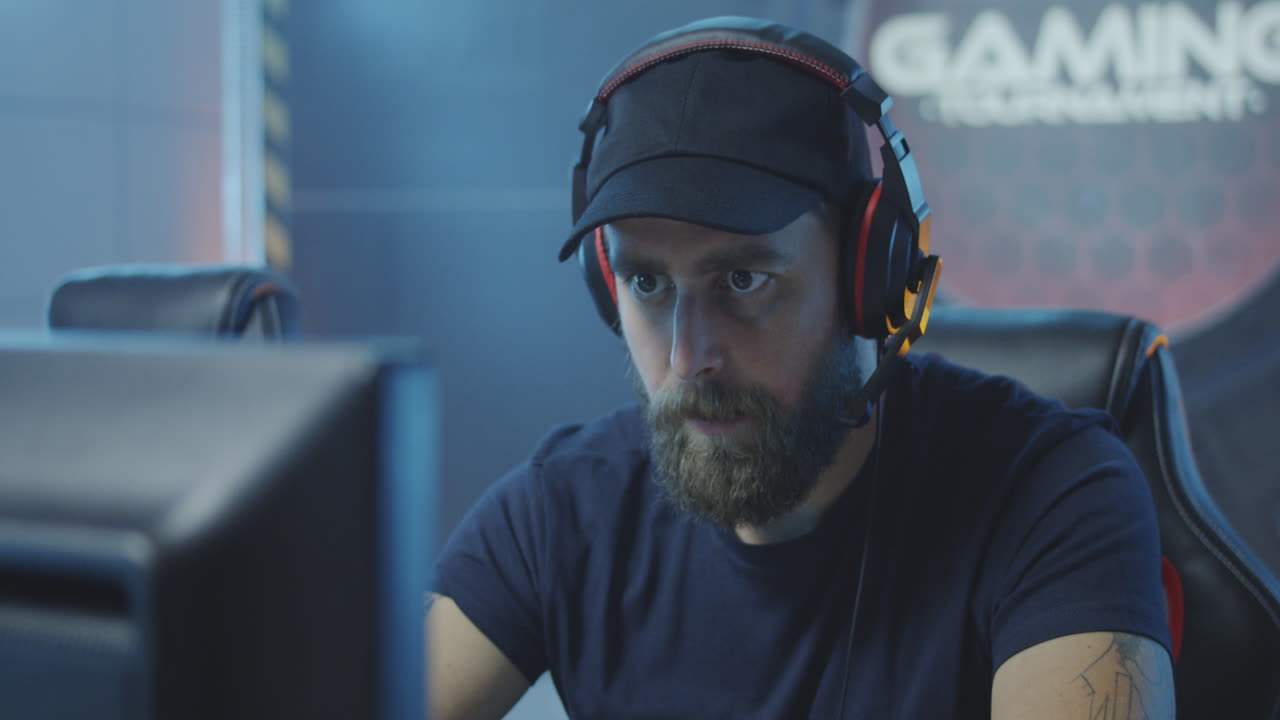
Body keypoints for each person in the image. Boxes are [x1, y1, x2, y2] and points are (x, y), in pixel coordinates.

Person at [426, 16, 1175, 719]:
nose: (690, 358)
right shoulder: (559, 514)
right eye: (648, 283)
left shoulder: (1055, 493)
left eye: (744, 281)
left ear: (868, 278)